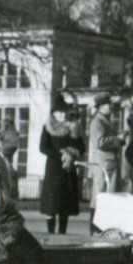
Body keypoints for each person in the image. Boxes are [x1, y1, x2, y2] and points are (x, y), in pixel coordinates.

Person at [38, 96, 82, 234]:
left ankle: (63, 232)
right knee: (52, 205)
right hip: (53, 169)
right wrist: (61, 155)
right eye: (58, 112)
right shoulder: (47, 127)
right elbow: (43, 147)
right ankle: (50, 232)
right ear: (53, 113)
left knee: (65, 205)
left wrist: (72, 153)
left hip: (68, 170)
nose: (61, 115)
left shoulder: (74, 127)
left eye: (63, 112)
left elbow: (81, 147)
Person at [88, 93, 124, 234]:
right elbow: (99, 142)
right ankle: (95, 228)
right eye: (109, 104)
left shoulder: (104, 120)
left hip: (107, 164)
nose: (111, 107)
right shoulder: (97, 122)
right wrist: (117, 139)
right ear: (101, 106)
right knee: (100, 195)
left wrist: (119, 139)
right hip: (103, 165)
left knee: (106, 196)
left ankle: (100, 228)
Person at [120, 113, 133, 194]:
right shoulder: (129, 133)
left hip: (131, 155)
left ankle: (131, 190)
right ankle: (129, 191)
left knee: (131, 175)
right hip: (128, 156)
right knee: (129, 174)